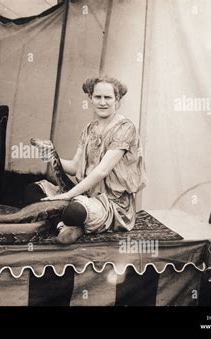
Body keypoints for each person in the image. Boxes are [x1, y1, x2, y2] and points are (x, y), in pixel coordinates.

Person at [24, 76, 147, 244]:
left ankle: (71, 223)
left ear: (117, 100)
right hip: (84, 193)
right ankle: (63, 227)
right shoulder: (89, 129)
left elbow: (102, 171)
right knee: (32, 190)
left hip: (110, 203)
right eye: (98, 97)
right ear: (90, 98)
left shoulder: (125, 129)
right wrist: (53, 156)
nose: (102, 102)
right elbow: (75, 167)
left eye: (108, 97)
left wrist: (67, 195)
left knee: (74, 211)